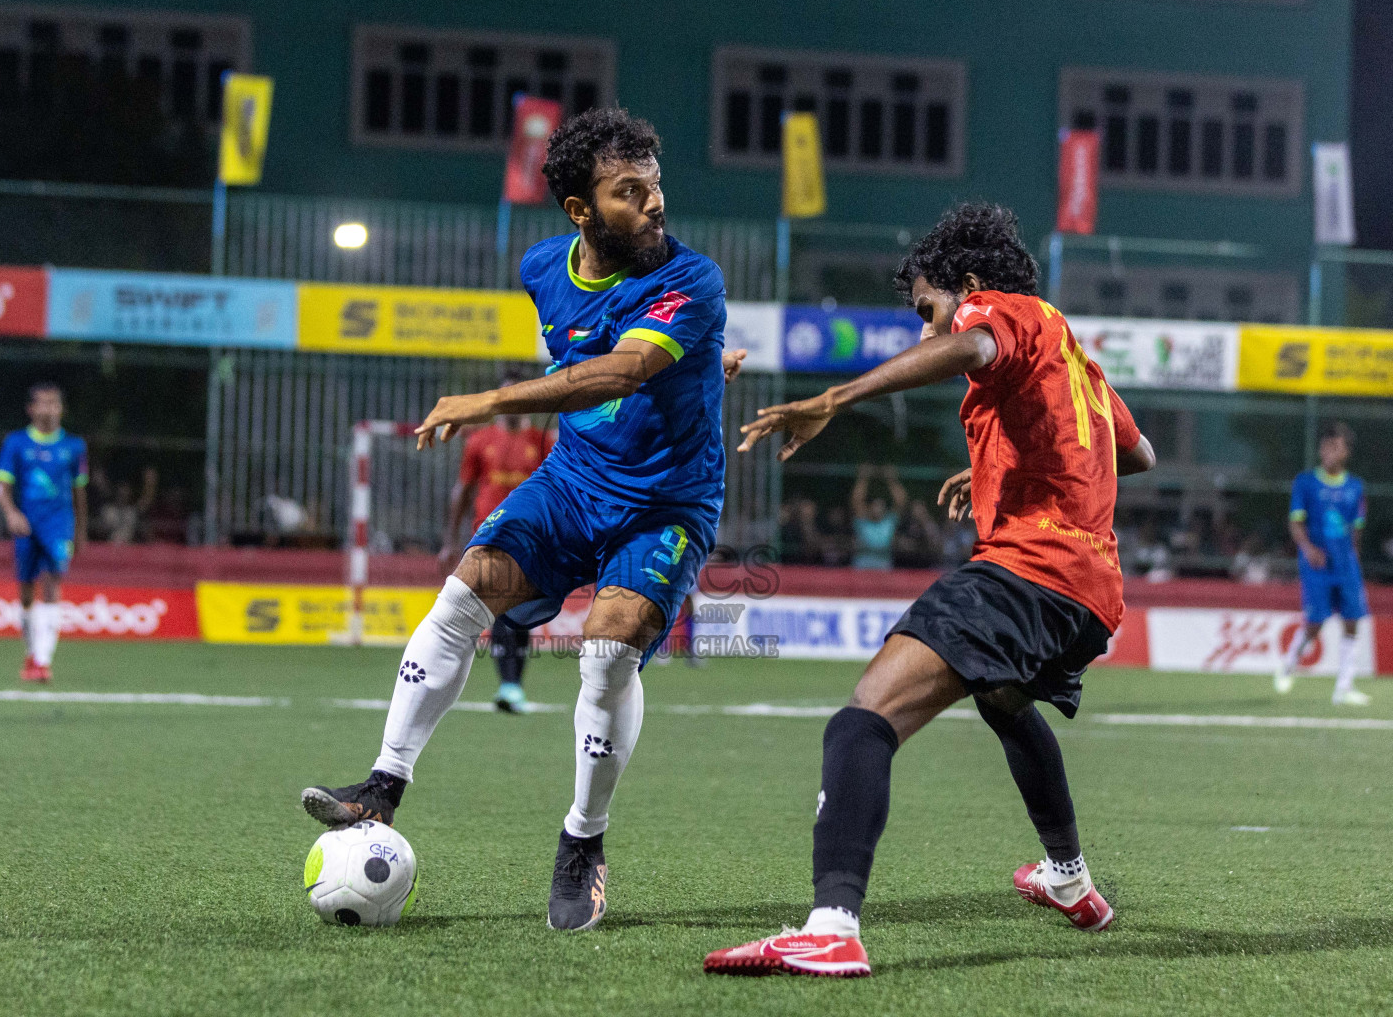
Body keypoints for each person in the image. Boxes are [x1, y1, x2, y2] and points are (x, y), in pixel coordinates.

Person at [301, 107, 746, 931]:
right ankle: (384, 784)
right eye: (628, 191)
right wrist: (704, 364)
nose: (653, 204)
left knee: (608, 653)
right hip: (573, 483)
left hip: (665, 503)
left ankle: (583, 840)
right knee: (459, 598)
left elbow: (618, 371)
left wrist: (493, 399)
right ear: (580, 211)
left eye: (655, 185)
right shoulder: (543, 266)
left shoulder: (694, 278)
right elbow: (599, 349)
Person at [704, 204, 1155, 977]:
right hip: (1089, 592)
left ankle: (830, 925)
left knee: (862, 720)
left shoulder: (999, 310)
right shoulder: (1074, 353)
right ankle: (1069, 879)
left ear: (969, 284)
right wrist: (998, 460)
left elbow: (972, 343)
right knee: (1004, 699)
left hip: (1030, 573)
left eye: (926, 312)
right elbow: (1136, 453)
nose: (927, 333)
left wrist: (836, 399)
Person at [438, 371, 556, 714]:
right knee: (500, 606)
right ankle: (508, 685)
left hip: (532, 535)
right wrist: (449, 540)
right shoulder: (479, 440)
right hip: (489, 533)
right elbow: (462, 491)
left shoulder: (543, 440)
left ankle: (513, 684)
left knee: (518, 611)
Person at [0, 384, 88, 682]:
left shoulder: (74, 447)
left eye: (54, 403)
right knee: (25, 593)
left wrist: (81, 531)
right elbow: (0, 486)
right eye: (43, 404)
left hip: (59, 524)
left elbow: (79, 492)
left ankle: (43, 661)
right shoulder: (16, 443)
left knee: (51, 584)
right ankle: (33, 652)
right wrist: (10, 512)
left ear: (62, 408)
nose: (49, 409)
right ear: (31, 409)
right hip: (26, 525)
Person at [1274, 423, 1370, 705]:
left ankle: (1344, 687)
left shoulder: (1356, 487)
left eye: (1336, 447)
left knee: (1352, 622)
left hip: (1346, 566)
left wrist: (1354, 557)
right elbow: (1295, 523)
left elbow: (1357, 528)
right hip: (1316, 565)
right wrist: (1308, 548)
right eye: (1326, 446)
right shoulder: (1305, 483)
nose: (1329, 452)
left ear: (1346, 453)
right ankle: (1289, 663)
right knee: (1315, 624)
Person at [850, 464, 905, 569]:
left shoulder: (889, 522)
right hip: (862, 566)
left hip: (883, 566)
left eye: (880, 506)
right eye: (875, 505)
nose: (877, 509)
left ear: (884, 509)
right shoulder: (862, 521)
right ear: (869, 508)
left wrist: (892, 480)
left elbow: (900, 502)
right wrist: (863, 478)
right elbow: (856, 501)